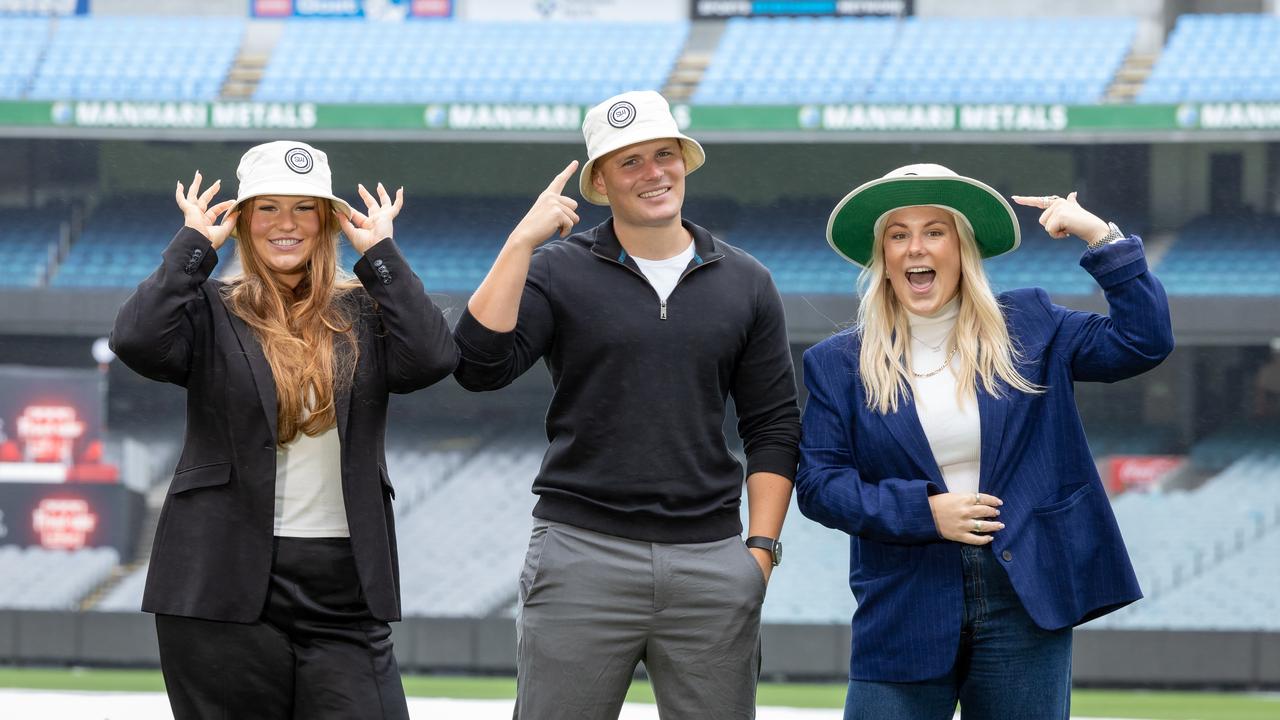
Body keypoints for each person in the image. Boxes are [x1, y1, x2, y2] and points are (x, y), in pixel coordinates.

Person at [452, 90, 801, 719]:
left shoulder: (747, 280)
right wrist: (519, 245)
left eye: (664, 155)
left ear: (684, 164)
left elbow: (773, 426)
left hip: (711, 560)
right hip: (581, 551)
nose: (654, 173)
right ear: (601, 182)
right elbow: (479, 367)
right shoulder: (557, 269)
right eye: (630, 162)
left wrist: (760, 555)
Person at [795, 164, 1174, 719]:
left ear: (962, 248)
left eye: (933, 231)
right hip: (904, 598)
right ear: (882, 258)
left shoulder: (1030, 324)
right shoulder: (837, 364)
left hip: (1024, 596)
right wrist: (926, 513)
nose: (914, 248)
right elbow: (820, 486)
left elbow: (1143, 341)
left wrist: (1101, 237)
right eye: (897, 235)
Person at [110, 141, 458, 719]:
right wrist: (192, 249)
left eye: (304, 208)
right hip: (220, 580)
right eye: (267, 208)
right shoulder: (207, 309)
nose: (286, 224)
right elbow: (136, 341)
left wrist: (381, 257)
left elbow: (432, 358)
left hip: (344, 585)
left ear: (327, 222)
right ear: (243, 221)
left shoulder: (365, 312)